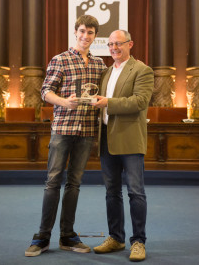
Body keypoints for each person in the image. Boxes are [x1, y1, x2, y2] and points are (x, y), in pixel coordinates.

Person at [25, 15, 106, 257]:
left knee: (74, 184)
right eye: (82, 31)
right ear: (75, 32)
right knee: (52, 183)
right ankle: (42, 236)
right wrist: (63, 102)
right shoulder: (59, 60)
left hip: (87, 132)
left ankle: (67, 236)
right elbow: (45, 91)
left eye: (90, 32)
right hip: (62, 129)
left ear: (94, 36)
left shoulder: (100, 65)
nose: (85, 36)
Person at [92, 30, 154, 262]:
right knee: (111, 192)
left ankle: (138, 242)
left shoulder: (142, 70)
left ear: (131, 44)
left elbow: (139, 102)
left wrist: (108, 102)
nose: (114, 48)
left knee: (135, 192)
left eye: (118, 43)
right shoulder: (106, 73)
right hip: (107, 137)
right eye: (110, 44)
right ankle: (116, 238)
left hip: (130, 138)